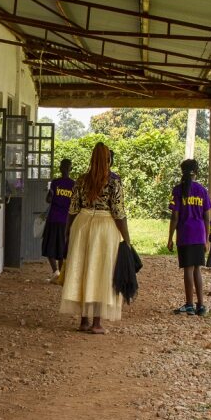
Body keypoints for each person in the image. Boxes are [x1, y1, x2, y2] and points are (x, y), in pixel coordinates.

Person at [60, 143, 131, 335]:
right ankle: (96, 323)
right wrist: (127, 238)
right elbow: (118, 212)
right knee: (101, 272)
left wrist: (68, 230)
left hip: (81, 225)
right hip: (105, 228)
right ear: (108, 159)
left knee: (82, 269)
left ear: (92, 159)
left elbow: (73, 208)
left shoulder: (81, 180)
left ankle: (84, 321)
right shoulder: (114, 182)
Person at [166, 159, 211, 315]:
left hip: (185, 234)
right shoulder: (202, 190)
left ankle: (189, 304)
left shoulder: (177, 190)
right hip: (199, 234)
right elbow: (207, 217)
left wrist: (170, 238)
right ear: (196, 172)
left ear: (182, 171)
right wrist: (206, 239)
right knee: (197, 268)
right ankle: (201, 305)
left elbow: (175, 217)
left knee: (188, 269)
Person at [42, 159, 75, 280]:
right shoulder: (74, 184)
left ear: (60, 168)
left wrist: (51, 195)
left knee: (49, 245)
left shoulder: (55, 183)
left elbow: (48, 200)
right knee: (62, 247)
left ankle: (56, 271)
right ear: (71, 169)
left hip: (54, 219)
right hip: (66, 220)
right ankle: (60, 273)